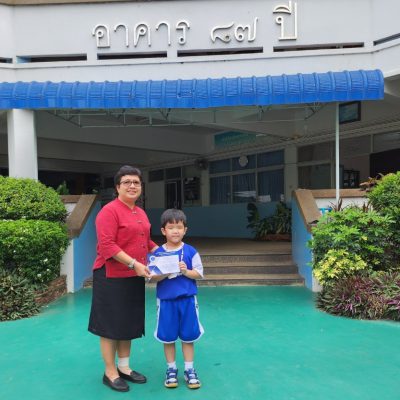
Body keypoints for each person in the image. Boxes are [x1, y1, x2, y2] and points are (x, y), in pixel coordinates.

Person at [88, 165, 157, 392]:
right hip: (111, 276)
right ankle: (110, 372)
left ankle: (124, 367)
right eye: (127, 182)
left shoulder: (140, 212)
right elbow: (107, 245)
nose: (132, 186)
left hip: (133, 276)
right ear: (117, 187)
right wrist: (134, 263)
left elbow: (146, 242)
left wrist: (165, 254)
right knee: (110, 326)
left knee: (128, 323)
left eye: (136, 182)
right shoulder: (109, 211)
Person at [150, 208, 204, 390]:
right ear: (163, 230)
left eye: (179, 227)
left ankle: (189, 369)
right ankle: (171, 369)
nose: (175, 231)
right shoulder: (158, 254)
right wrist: (165, 272)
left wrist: (185, 271)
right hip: (166, 302)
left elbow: (199, 273)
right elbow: (152, 277)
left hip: (188, 301)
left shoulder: (191, 251)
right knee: (168, 337)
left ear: (185, 230)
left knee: (188, 336)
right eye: (171, 227)